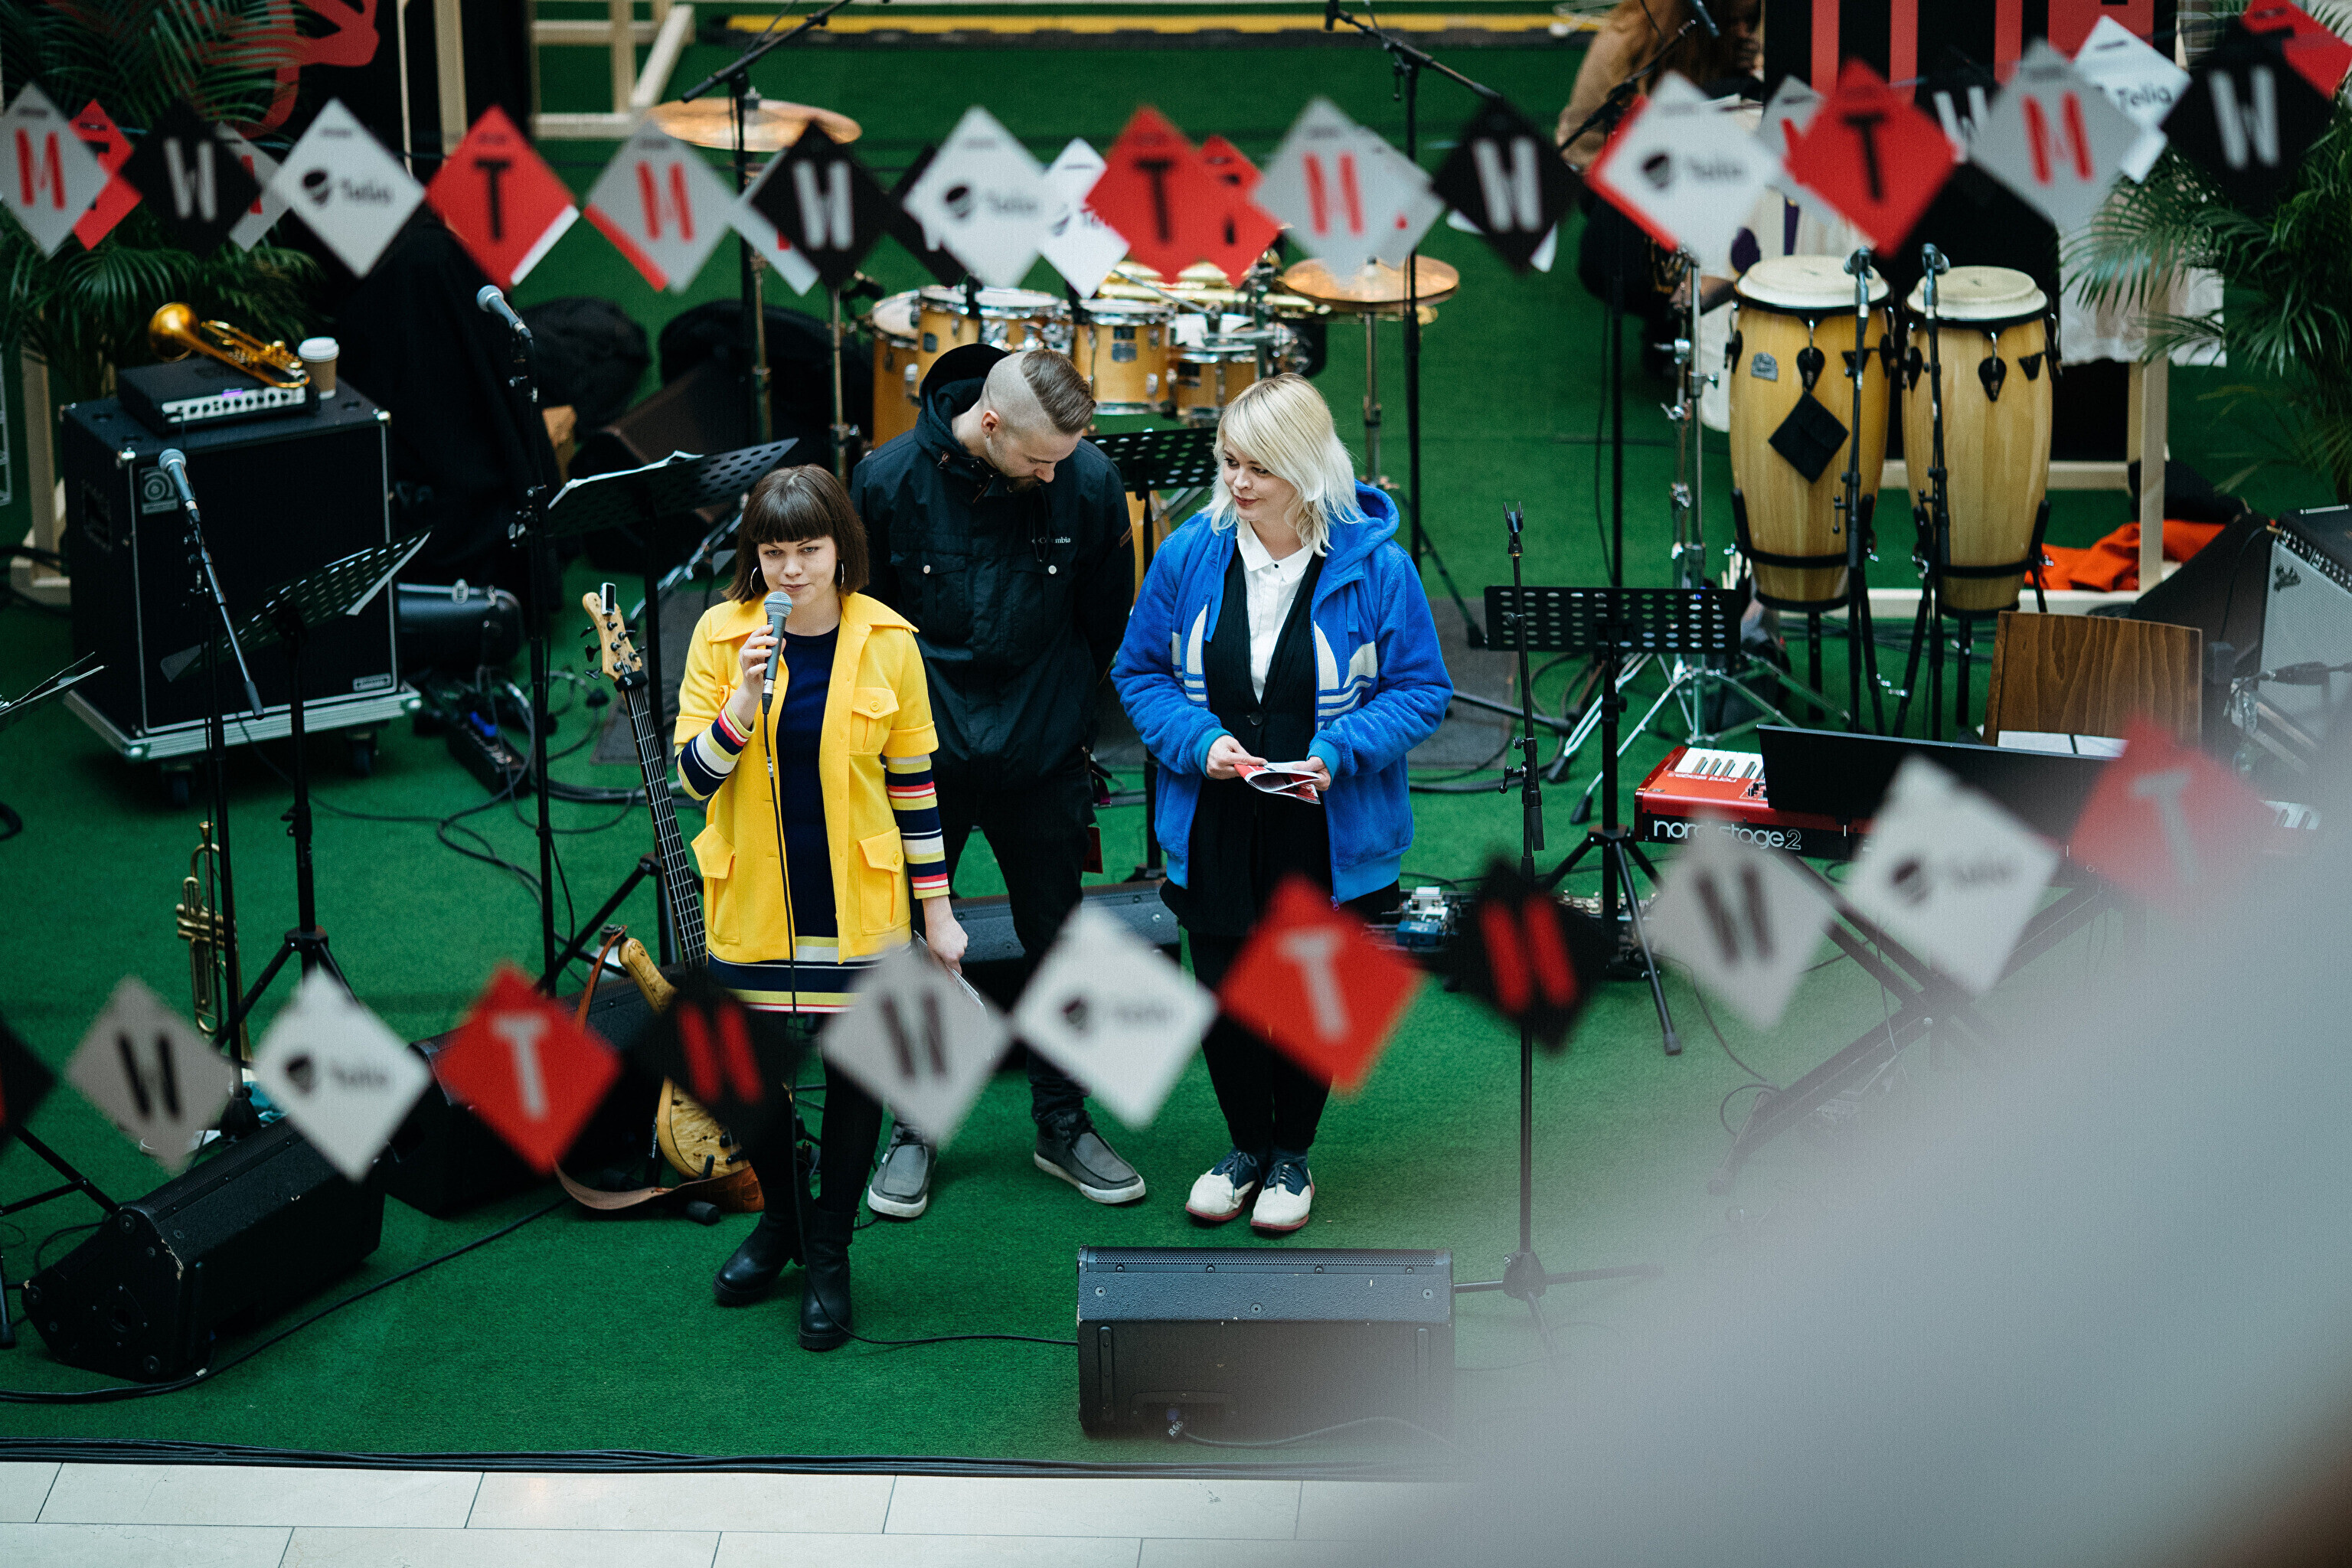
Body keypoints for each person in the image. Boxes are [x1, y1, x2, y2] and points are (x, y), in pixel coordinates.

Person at [1112, 374, 1452, 1235]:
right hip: (1216, 815)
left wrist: (1340, 750)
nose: (1237, 482)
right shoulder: (1188, 554)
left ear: (1306, 467)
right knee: (1226, 993)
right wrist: (1200, 742)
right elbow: (1139, 672)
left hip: (1330, 824)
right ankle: (1245, 1150)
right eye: (1229, 461)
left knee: (1312, 995)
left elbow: (1422, 690)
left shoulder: (1380, 567)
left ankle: (1292, 1155)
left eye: (1258, 466)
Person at [672, 465, 965, 1351]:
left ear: (842, 548)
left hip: (859, 908)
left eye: (808, 549)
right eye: (773, 553)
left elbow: (914, 788)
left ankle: (827, 1248)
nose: (791, 570)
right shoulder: (719, 636)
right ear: (754, 558)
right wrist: (741, 701)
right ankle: (783, 1219)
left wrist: (938, 913)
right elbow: (692, 781)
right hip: (752, 906)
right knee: (741, 1076)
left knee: (856, 1079)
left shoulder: (891, 642)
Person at [849, 345, 1143, 1220]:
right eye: (1040, 458)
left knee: (1060, 935)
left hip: (1043, 748)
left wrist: (1061, 715)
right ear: (989, 422)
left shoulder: (1089, 480)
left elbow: (1104, 620)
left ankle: (1062, 1121)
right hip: (922, 756)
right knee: (914, 941)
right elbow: (869, 622)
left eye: (1064, 458)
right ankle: (915, 1124)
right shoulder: (886, 481)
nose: (1055, 473)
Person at [1557, 0, 1764, 377]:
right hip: (1628, 178)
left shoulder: (1749, 45)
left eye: (1750, 21)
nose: (1744, 32)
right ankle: (1664, 317)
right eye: (1732, 21)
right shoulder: (1624, 43)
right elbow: (1579, 147)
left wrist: (1749, 76)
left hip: (1705, 173)